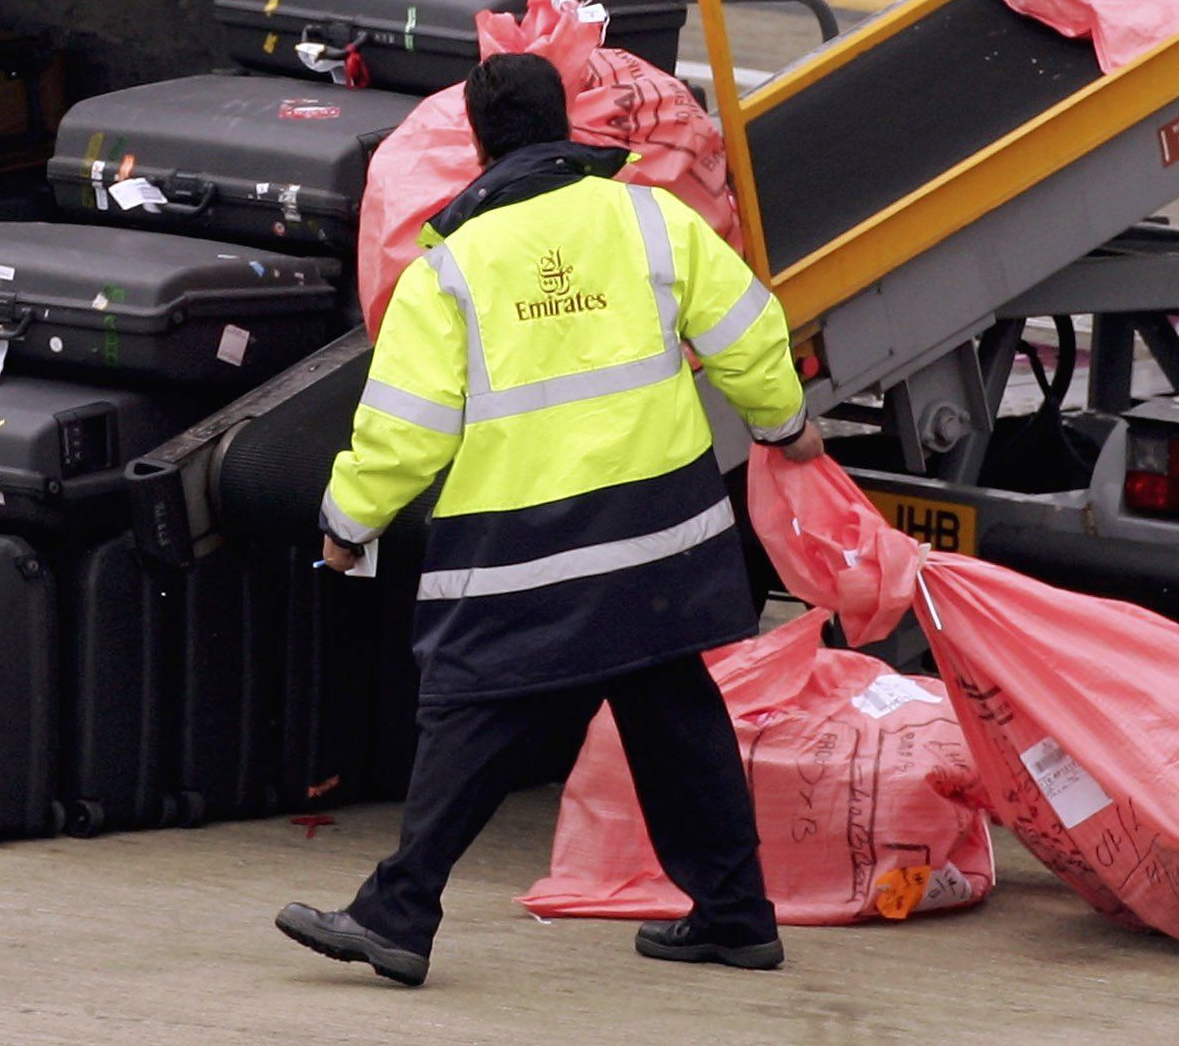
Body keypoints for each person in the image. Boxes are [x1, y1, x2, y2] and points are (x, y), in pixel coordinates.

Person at [278, 51, 822, 988]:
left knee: (469, 708)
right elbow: (747, 332)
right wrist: (786, 426)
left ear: (479, 144)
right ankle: (736, 916)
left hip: (524, 550)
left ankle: (397, 915)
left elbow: (404, 430)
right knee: (671, 708)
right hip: (660, 535)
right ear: (566, 121)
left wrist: (347, 520)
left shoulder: (451, 269)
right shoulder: (651, 217)